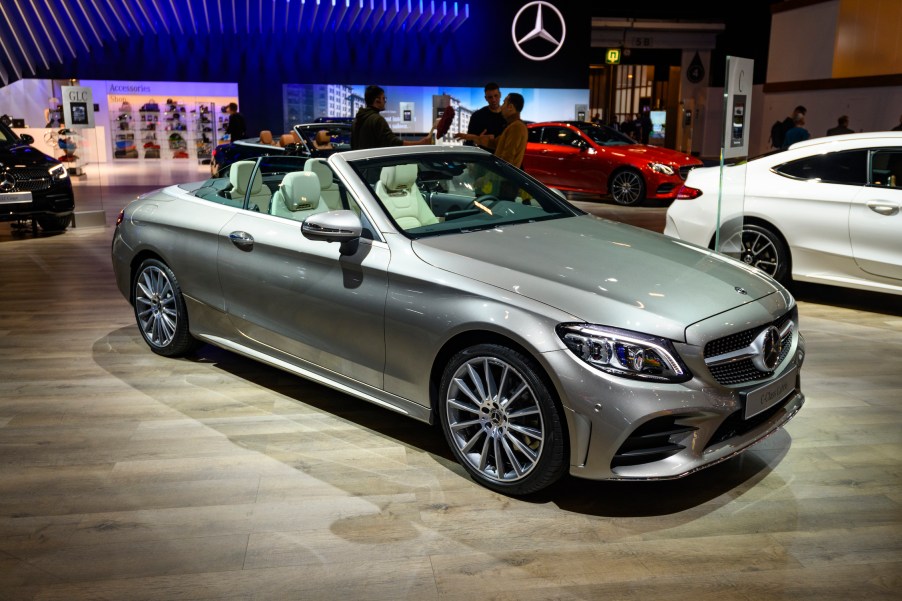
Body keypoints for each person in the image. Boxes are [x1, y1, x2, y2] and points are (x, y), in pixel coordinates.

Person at [455, 93, 527, 168]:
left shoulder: (516, 127)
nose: (501, 107)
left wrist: (488, 178)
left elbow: (507, 160)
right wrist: (474, 138)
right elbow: (496, 144)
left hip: (503, 179)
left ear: (510, 107)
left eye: (504, 103)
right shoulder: (513, 126)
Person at [351, 85, 435, 150]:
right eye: (384, 98)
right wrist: (420, 143)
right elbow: (393, 143)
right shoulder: (377, 119)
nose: (385, 102)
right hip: (371, 168)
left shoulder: (357, 119)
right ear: (377, 100)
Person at [464, 82, 507, 151]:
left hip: (504, 158)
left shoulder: (508, 116)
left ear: (500, 95)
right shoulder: (477, 116)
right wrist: (478, 140)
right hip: (483, 158)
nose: (493, 100)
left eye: (496, 96)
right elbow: (469, 142)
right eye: (490, 97)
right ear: (486, 98)